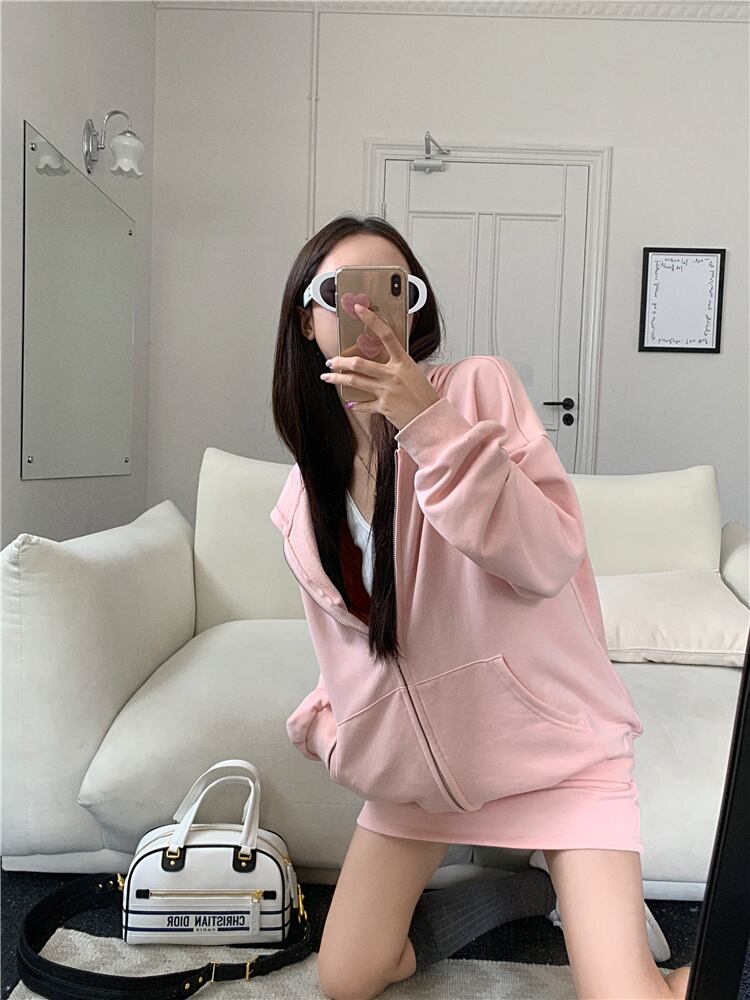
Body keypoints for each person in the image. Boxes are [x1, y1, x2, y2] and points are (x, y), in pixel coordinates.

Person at [270, 214, 692, 1000]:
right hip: (420, 785)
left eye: (392, 290)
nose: (366, 311)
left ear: (414, 309)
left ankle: (604, 919)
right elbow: (350, 654)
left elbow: (545, 557)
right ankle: (513, 894)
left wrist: (426, 423)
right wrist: (334, 733)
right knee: (347, 978)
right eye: (341, 292)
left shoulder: (476, 390)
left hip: (559, 760)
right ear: (306, 319)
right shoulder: (303, 497)